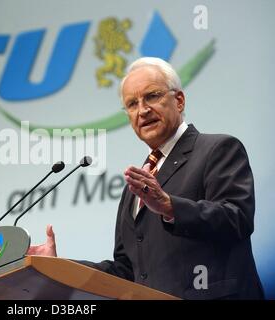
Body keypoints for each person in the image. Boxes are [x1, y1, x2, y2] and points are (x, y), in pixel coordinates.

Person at [27, 57, 265, 300]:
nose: (142, 110)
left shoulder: (217, 148)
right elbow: (125, 270)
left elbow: (237, 218)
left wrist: (170, 207)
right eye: (132, 104)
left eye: (152, 96)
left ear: (179, 100)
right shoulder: (135, 188)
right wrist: (57, 268)